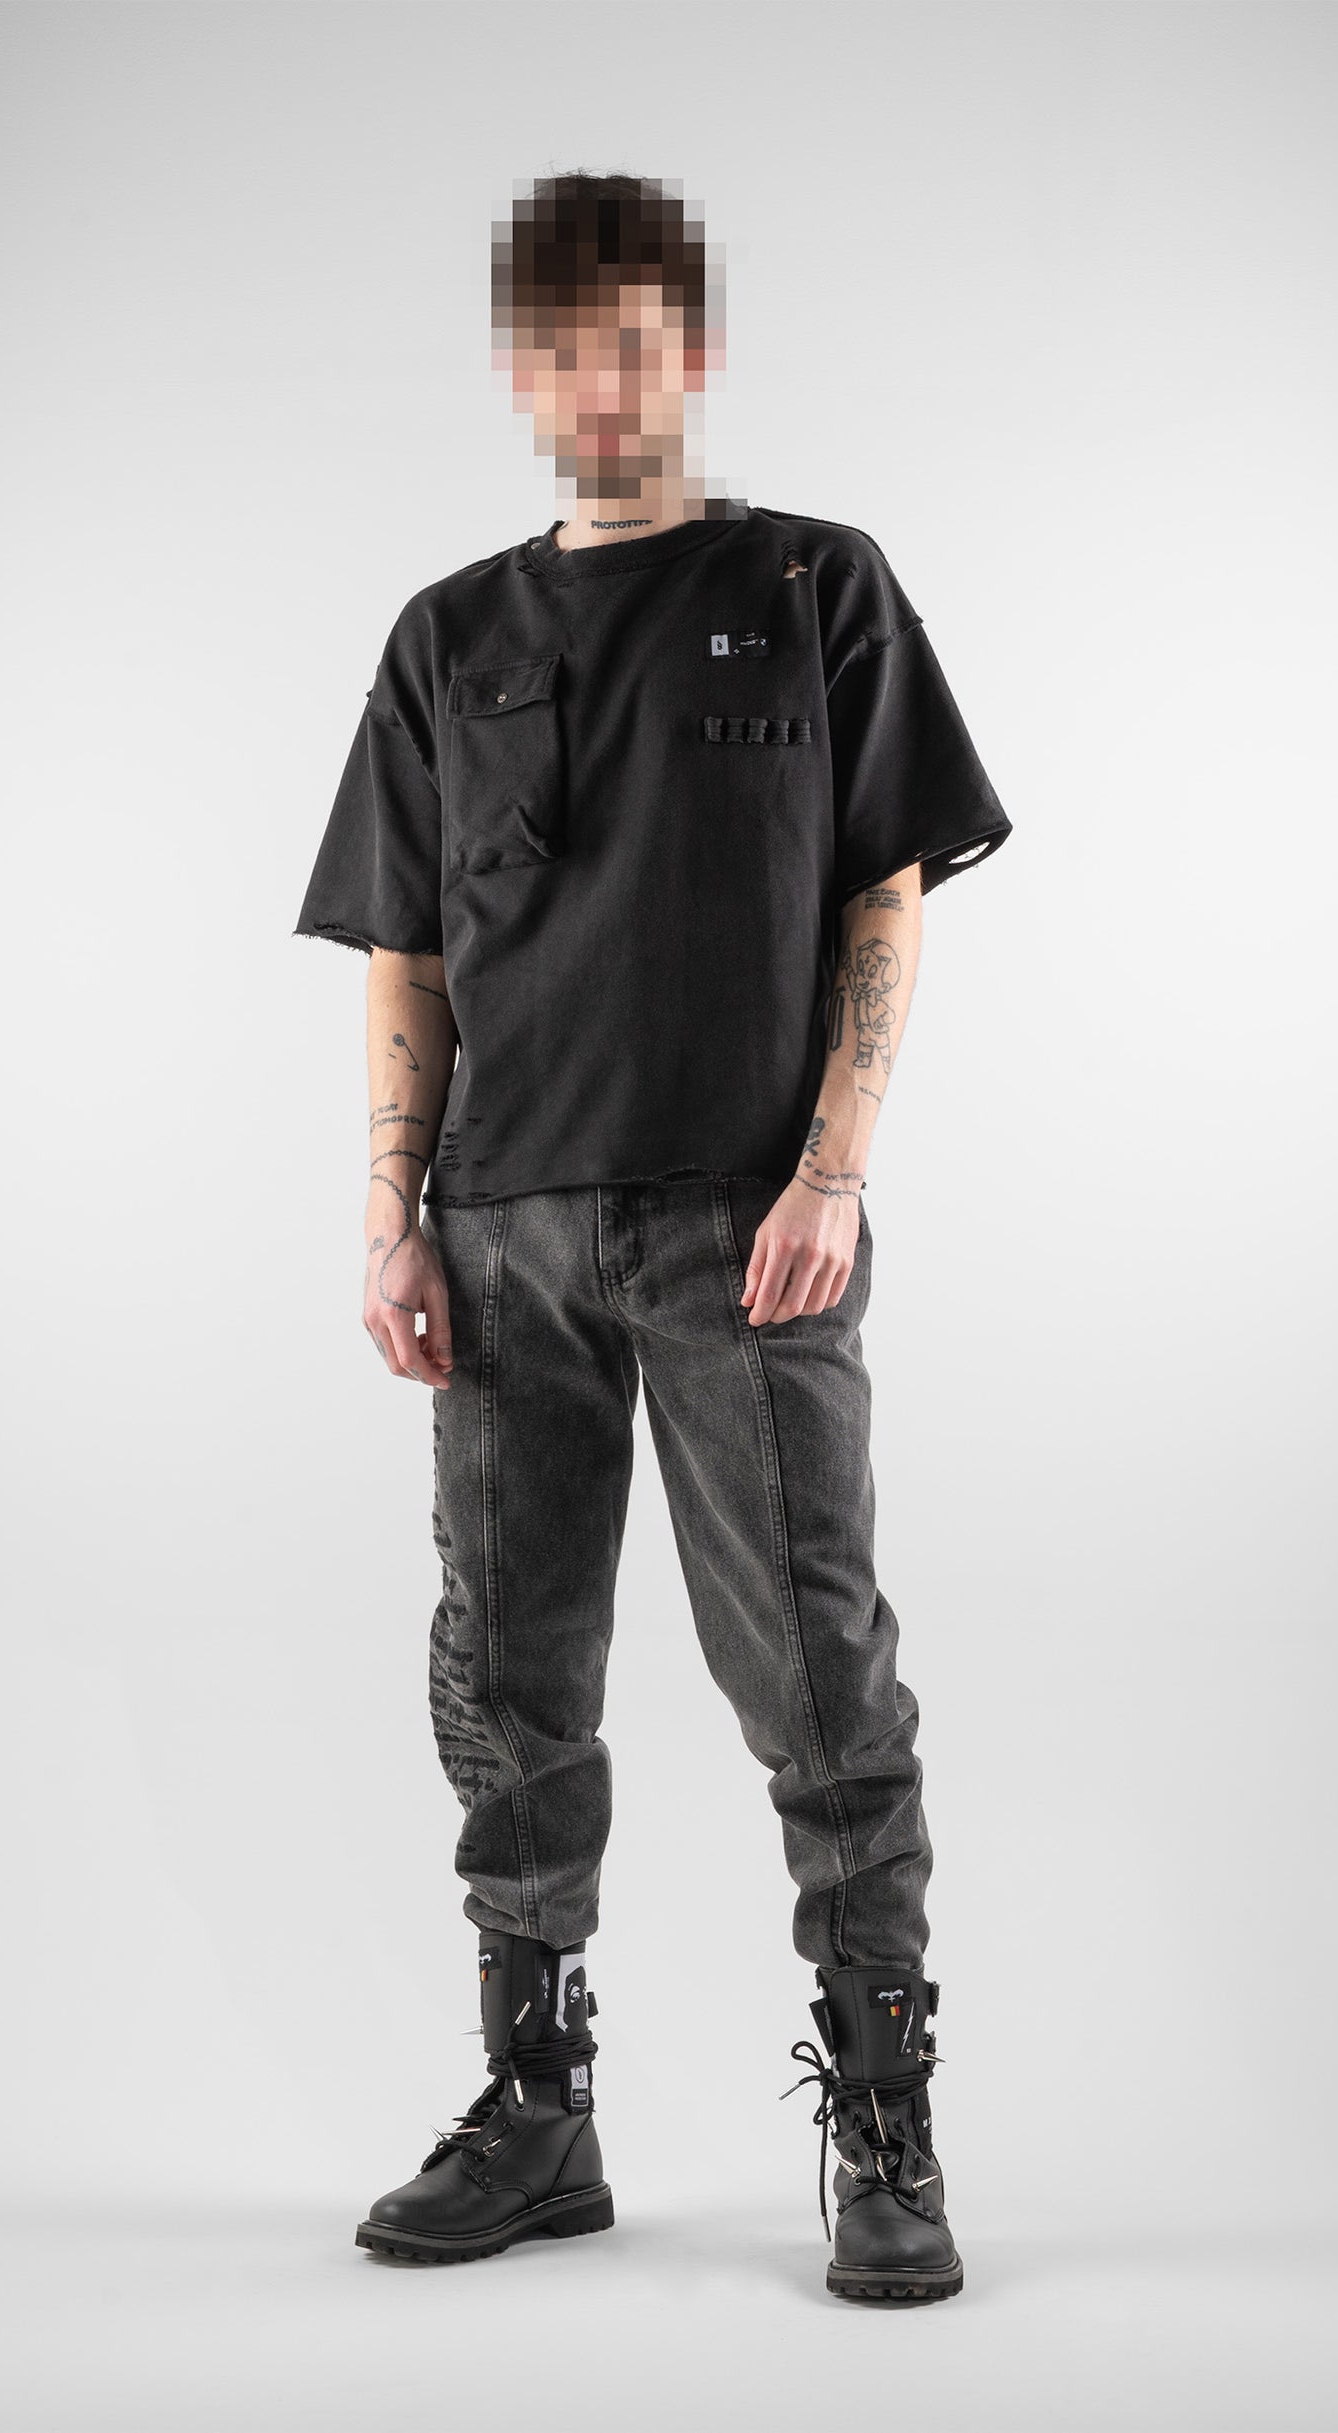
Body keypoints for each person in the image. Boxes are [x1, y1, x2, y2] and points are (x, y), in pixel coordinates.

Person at [293, 172, 1012, 2304]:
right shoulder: (448, 638)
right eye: (553, 353)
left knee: (815, 1674)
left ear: (686, 350)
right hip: (499, 1230)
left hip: (742, 1225)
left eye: (625, 347)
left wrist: (833, 1168)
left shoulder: (811, 587)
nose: (590, 389)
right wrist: (388, 1214)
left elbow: (882, 889)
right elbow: (408, 948)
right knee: (507, 1679)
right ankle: (538, 2108)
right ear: (518, 369)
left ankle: (883, 2118)